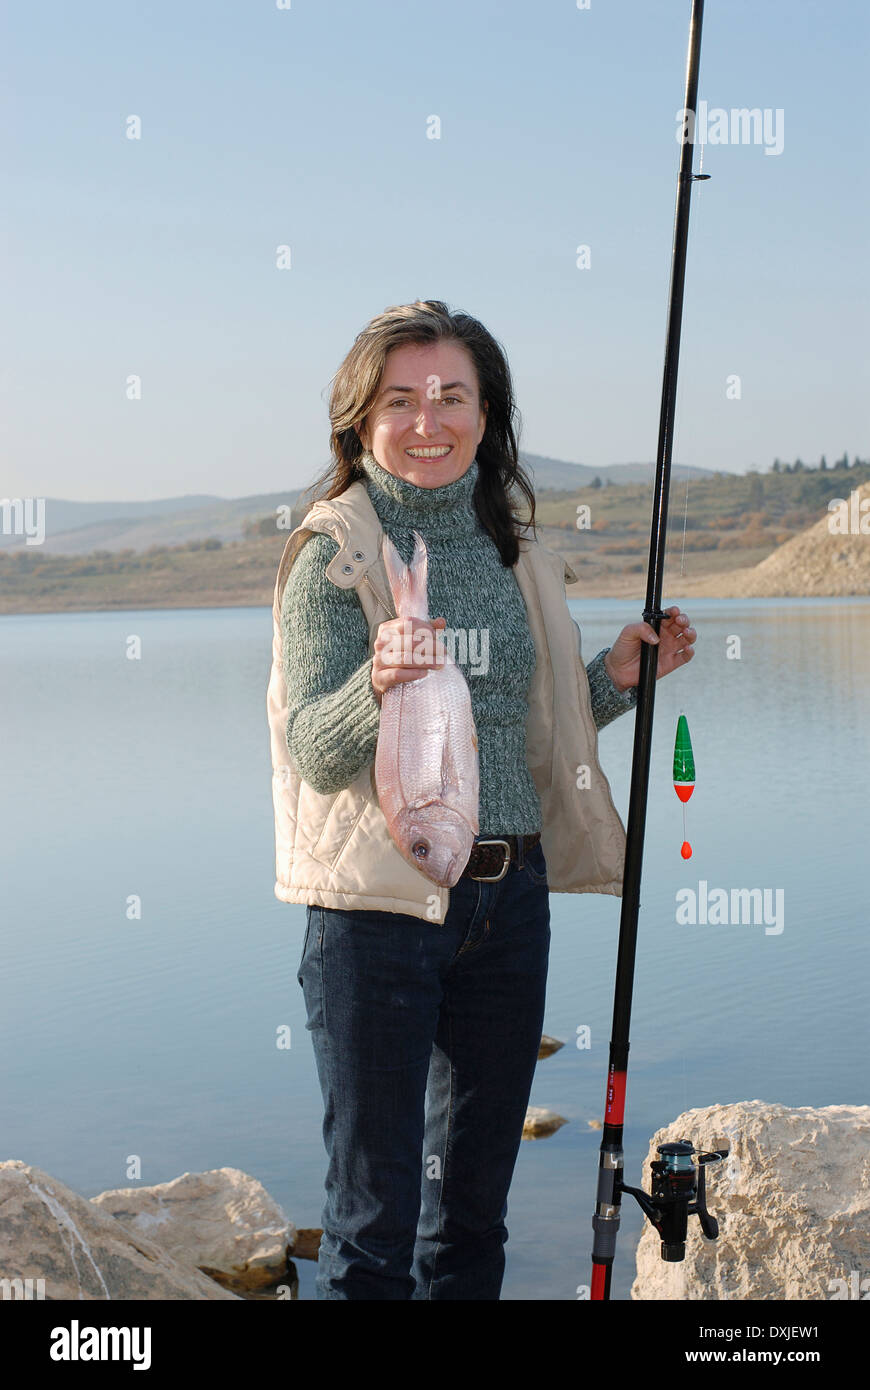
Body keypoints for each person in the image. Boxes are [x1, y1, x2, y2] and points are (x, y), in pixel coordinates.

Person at [266, 299, 696, 1300]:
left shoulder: (510, 545)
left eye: (452, 396)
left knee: (473, 1219)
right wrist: (375, 683)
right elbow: (314, 754)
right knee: (374, 1227)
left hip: (509, 901)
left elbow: (519, 730)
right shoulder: (332, 554)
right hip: (378, 914)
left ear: (487, 414)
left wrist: (616, 680)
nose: (428, 421)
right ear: (361, 421)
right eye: (401, 400)